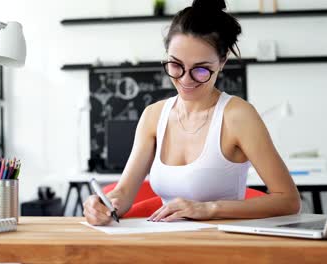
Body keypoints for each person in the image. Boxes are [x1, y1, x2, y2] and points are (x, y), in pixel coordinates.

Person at [84, 0, 300, 226]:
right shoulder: (153, 116)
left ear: (222, 61)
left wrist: (208, 208)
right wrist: (102, 204)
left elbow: (288, 201)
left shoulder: (238, 116)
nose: (185, 80)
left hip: (223, 247)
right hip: (164, 245)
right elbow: (124, 194)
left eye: (200, 69)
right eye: (175, 65)